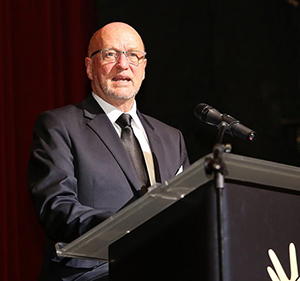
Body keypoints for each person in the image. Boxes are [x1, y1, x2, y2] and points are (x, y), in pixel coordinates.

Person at [28, 22, 190, 281]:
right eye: (110, 54)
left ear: (144, 68)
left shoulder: (172, 138)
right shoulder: (60, 126)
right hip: (93, 272)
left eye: (133, 55)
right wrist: (127, 227)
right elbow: (56, 208)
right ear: (90, 67)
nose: (123, 65)